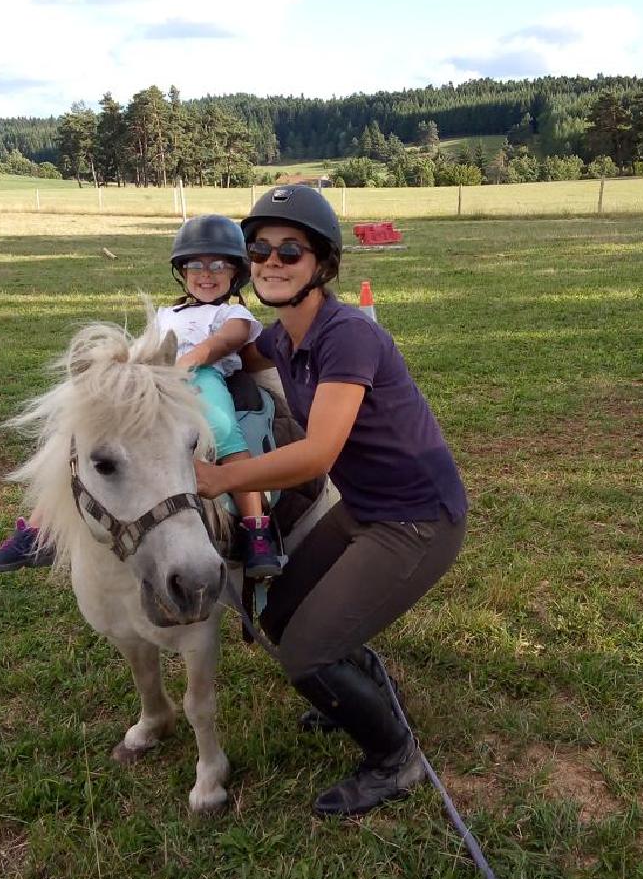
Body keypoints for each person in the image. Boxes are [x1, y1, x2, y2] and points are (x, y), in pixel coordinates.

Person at [194, 185, 468, 817]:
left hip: (416, 518)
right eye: (258, 249)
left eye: (290, 250)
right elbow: (243, 343)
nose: (271, 261)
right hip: (367, 508)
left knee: (306, 653)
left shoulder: (347, 336)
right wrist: (196, 355)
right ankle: (364, 687)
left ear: (323, 264)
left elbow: (317, 455)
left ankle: (395, 761)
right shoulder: (285, 335)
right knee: (280, 614)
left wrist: (218, 481)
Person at [0, 215, 282, 579]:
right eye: (194, 264)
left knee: (224, 431)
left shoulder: (233, 312)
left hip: (202, 377)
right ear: (181, 271)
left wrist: (185, 363)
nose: (206, 273)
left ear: (236, 272)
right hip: (154, 379)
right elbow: (145, 346)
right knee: (82, 436)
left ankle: (257, 528)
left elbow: (226, 341)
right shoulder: (168, 312)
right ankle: (38, 532)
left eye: (218, 265)